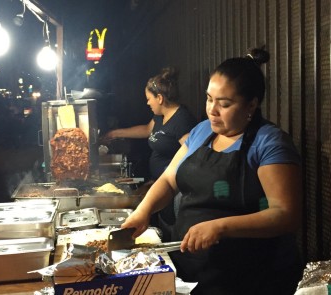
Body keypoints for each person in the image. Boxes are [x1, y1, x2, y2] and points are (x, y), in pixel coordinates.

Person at [121, 48, 303, 295]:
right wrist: (142, 212)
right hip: (191, 269)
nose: (212, 110)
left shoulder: (269, 142)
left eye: (224, 104)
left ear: (252, 104)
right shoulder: (201, 132)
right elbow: (168, 179)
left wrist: (220, 227)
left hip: (249, 277)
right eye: (209, 99)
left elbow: (285, 214)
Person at [102, 67, 197, 241]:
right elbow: (146, 130)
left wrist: (165, 179)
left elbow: (192, 159)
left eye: (149, 99)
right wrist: (116, 133)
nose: (147, 103)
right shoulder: (160, 117)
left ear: (159, 98)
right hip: (160, 186)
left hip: (175, 192)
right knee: (163, 226)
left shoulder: (182, 120)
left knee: (175, 231)